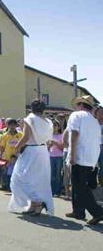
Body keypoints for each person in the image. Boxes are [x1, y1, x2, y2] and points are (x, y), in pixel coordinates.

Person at [8, 100, 54, 216]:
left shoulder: (30, 119)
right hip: (42, 151)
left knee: (23, 177)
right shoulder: (48, 122)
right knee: (37, 178)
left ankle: (37, 204)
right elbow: (49, 139)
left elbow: (26, 136)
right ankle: (34, 205)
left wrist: (18, 146)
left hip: (32, 151)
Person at [65, 95, 103, 225]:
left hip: (80, 156)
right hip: (90, 158)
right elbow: (97, 143)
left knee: (80, 187)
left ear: (80, 105)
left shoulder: (76, 116)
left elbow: (74, 134)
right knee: (78, 185)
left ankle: (97, 212)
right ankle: (78, 210)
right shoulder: (94, 121)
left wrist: (72, 156)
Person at [0, 119, 23, 190]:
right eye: (10, 125)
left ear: (16, 126)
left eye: (13, 125)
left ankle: (17, 188)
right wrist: (0, 155)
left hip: (18, 158)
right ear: (8, 126)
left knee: (17, 174)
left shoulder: (20, 134)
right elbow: (2, 146)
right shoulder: (5, 135)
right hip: (7, 158)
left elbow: (23, 145)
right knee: (7, 174)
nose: (12, 127)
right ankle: (7, 187)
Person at [48, 120, 64, 197]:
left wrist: (56, 143)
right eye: (52, 126)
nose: (53, 127)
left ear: (58, 127)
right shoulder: (48, 136)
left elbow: (63, 148)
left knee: (58, 174)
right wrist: (49, 146)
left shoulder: (61, 136)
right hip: (50, 156)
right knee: (51, 174)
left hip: (59, 157)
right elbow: (46, 148)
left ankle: (58, 191)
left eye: (55, 126)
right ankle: (51, 191)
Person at [95, 106, 103, 186]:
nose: (101, 114)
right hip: (94, 145)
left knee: (102, 165)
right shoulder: (93, 122)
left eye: (102, 112)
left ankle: (101, 183)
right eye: (99, 112)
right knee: (94, 165)